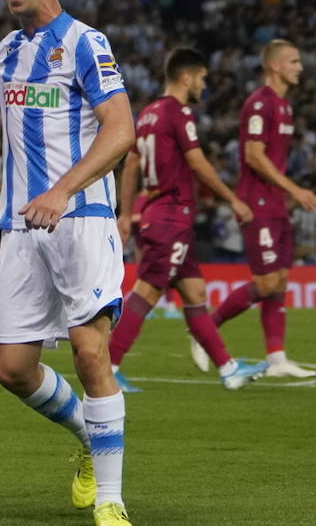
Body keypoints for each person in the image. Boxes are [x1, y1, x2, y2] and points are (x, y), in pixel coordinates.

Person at [0, 0, 136, 526]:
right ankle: (85, 434)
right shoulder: (3, 52)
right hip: (21, 228)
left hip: (80, 218)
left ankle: (110, 496)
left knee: (88, 350)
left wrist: (62, 190)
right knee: (12, 371)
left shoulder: (85, 43)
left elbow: (121, 129)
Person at [109, 48, 267, 389]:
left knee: (195, 291)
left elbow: (131, 164)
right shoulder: (178, 112)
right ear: (186, 77)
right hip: (171, 215)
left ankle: (227, 369)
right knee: (146, 292)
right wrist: (233, 200)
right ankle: (107, 368)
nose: (204, 85)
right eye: (202, 78)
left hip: (157, 214)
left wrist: (126, 213)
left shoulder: (148, 113)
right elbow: (197, 163)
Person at [195, 39, 316, 377]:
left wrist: (288, 193)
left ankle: (277, 359)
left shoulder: (284, 106)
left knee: (279, 281)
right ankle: (205, 328)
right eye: (294, 61)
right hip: (257, 203)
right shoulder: (259, 104)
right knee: (265, 284)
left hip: (277, 203)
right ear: (275, 66)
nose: (300, 67)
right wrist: (294, 188)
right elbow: (254, 155)